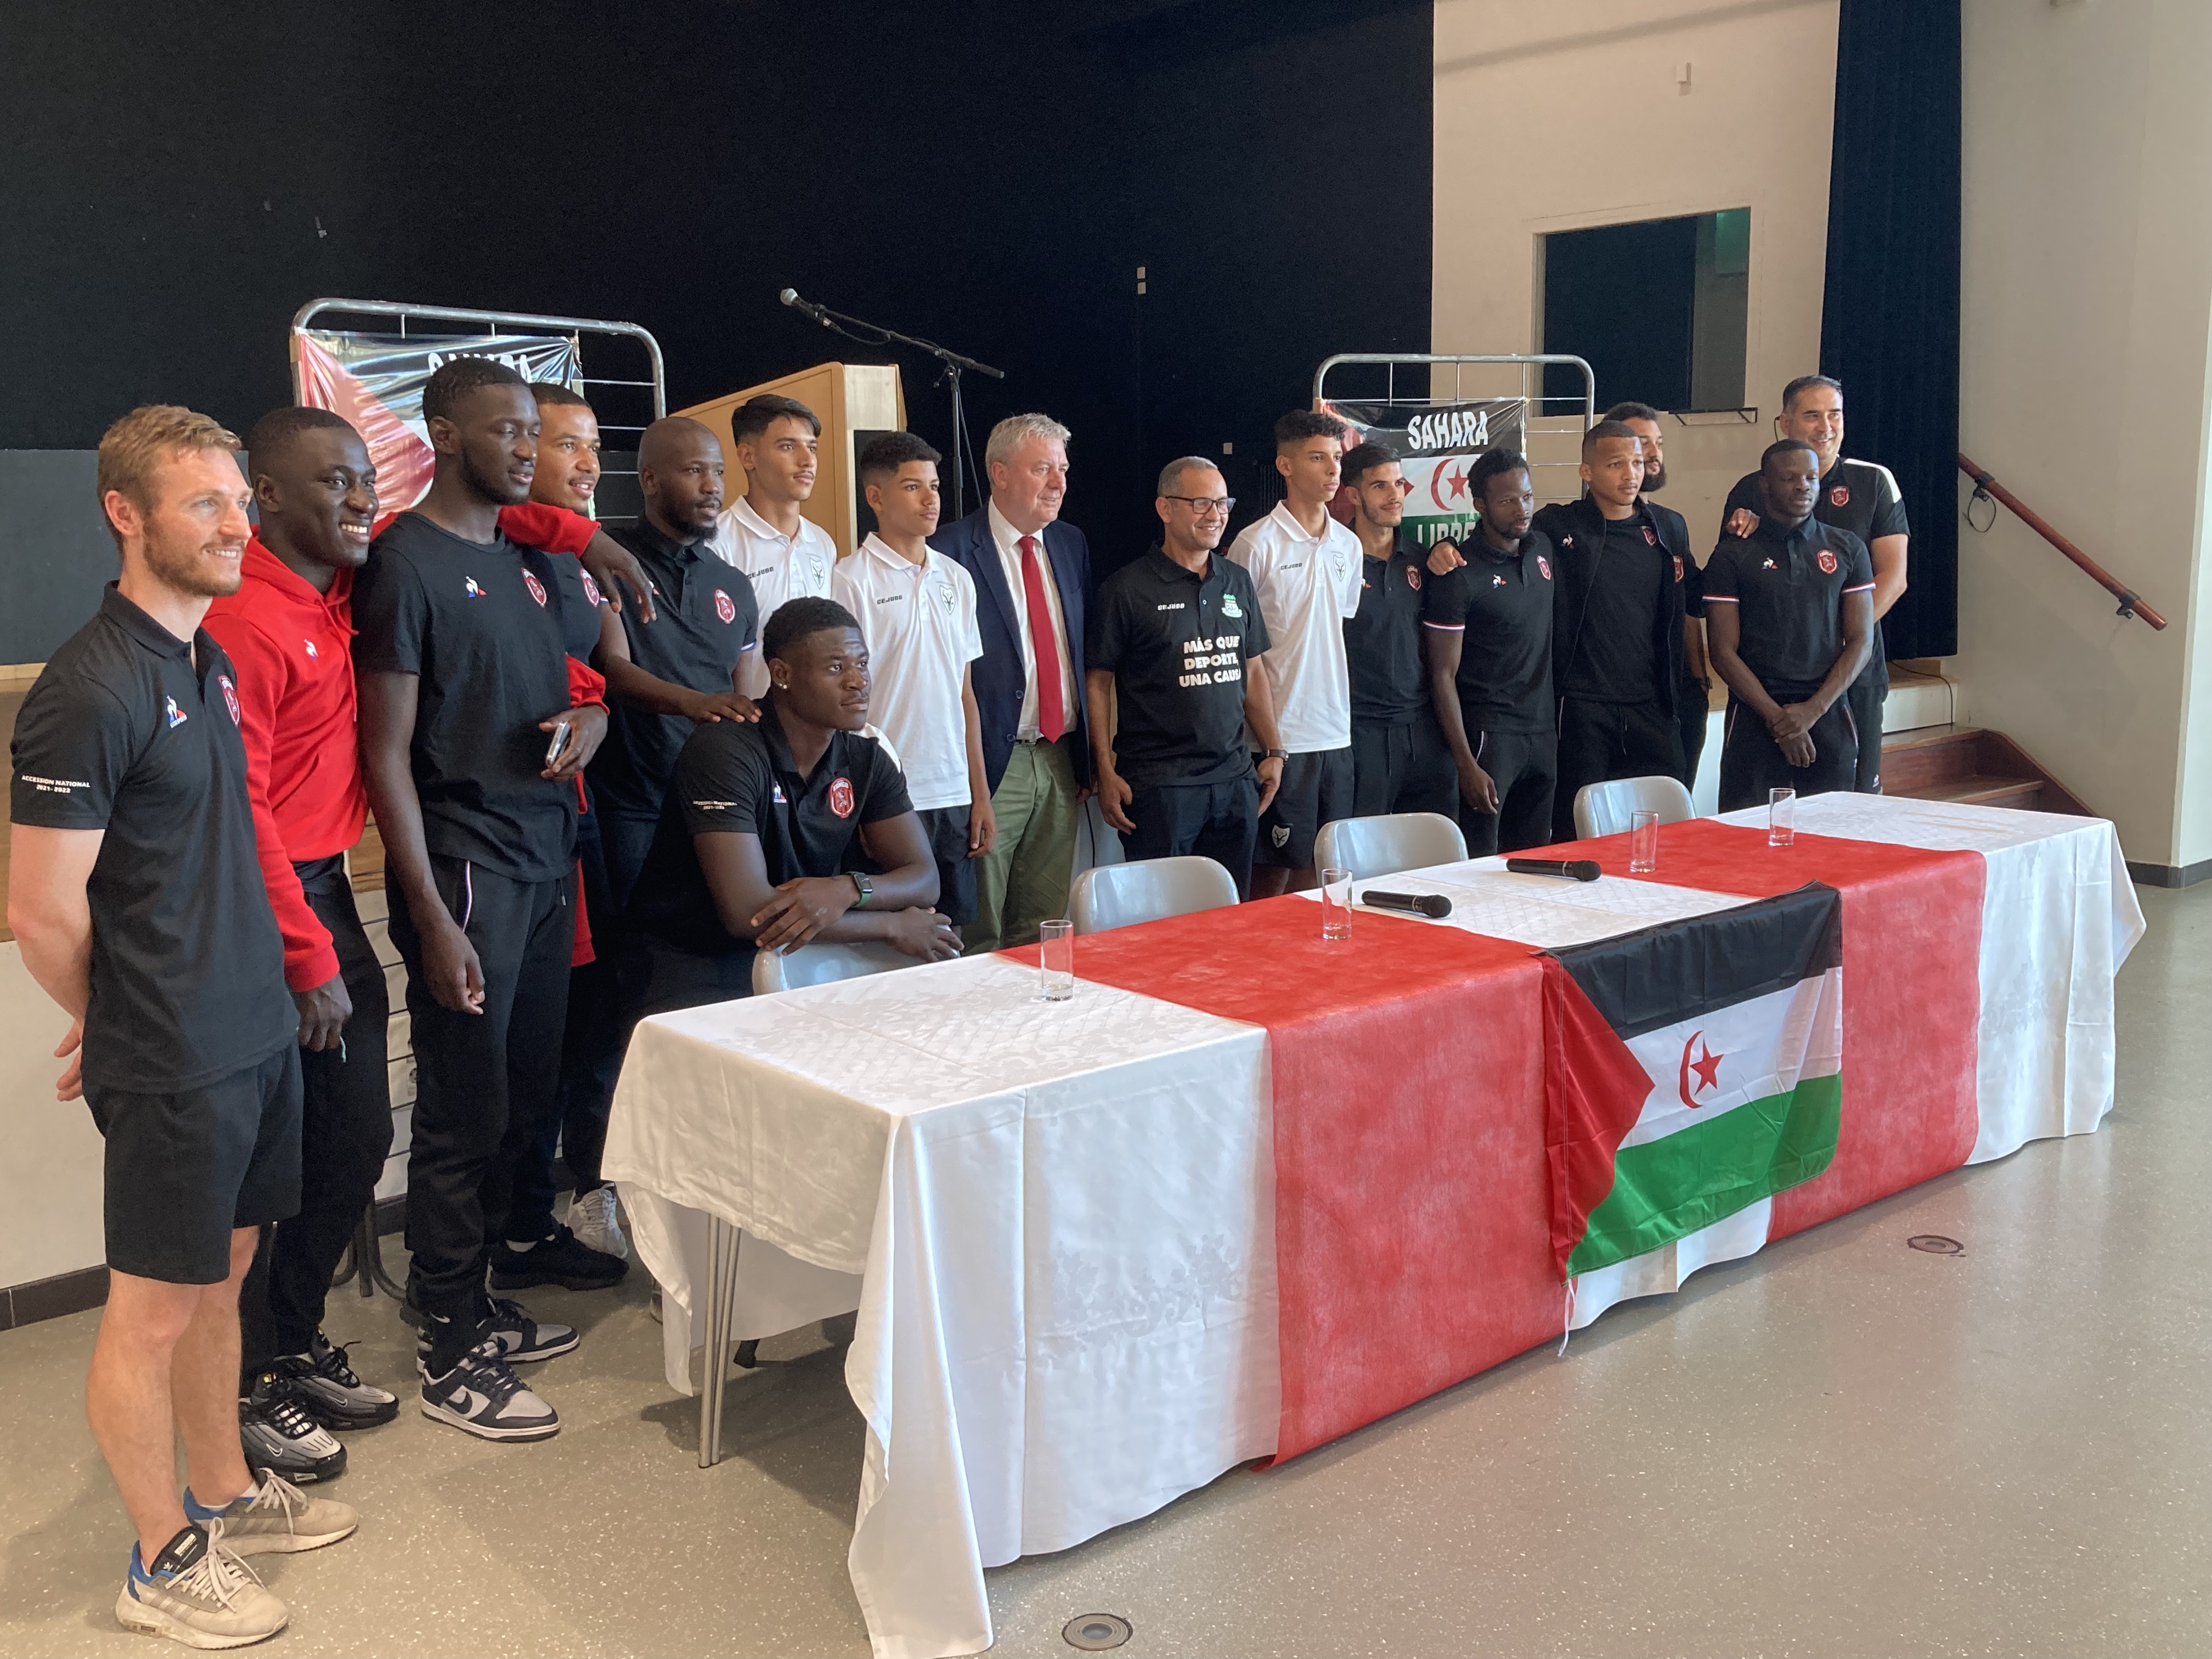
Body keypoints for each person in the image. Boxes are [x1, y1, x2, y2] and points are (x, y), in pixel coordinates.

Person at [9, 405, 354, 1649]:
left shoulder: (204, 660)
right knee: (152, 1307)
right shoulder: (87, 689)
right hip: (172, 1052)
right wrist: (113, 1022)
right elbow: (39, 911)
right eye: (205, 503)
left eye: (239, 502)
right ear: (126, 514)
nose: (236, 525)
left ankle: (223, 1486)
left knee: (227, 1273)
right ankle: (160, 1560)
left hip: (252, 1030)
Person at [353, 357, 607, 1441]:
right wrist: (429, 912)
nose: (525, 449)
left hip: (547, 861)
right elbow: (385, 753)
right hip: (467, 869)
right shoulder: (403, 564)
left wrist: (592, 723)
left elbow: (573, 694)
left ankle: (471, 1295)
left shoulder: (522, 562)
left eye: (531, 432)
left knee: (520, 1099)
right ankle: (448, 1347)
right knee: (463, 1113)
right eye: (507, 431)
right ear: (445, 434)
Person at [199, 409, 397, 1487]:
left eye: (365, 478)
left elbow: (456, 517)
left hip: (326, 891)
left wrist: (582, 534)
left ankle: (286, 1341)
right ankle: (242, 1384)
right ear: (265, 497)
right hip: (271, 905)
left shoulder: (335, 589)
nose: (361, 500)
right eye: (335, 482)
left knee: (352, 1138)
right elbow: (245, 810)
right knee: (272, 1167)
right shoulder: (245, 619)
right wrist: (306, 956)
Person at [625, 597, 961, 1012]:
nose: (858, 681)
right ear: (782, 675)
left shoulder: (867, 759)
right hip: (697, 962)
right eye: (836, 668)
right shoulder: (724, 749)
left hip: (808, 949)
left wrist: (848, 889)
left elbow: (924, 878)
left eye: (862, 664)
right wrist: (891, 924)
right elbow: (748, 913)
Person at [930, 413, 1091, 952]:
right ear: (999, 473)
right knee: (981, 929)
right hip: (991, 761)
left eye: (1062, 469)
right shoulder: (949, 551)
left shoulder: (1070, 544)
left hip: (1059, 755)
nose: (1058, 482)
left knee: (1045, 924)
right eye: (1042, 468)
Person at [1087, 458, 1284, 895]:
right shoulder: (1125, 589)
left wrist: (1274, 749)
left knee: (1231, 915)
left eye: (1223, 503)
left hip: (1235, 780)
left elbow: (1252, 669)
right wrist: (1103, 768)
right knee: (1165, 917)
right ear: (1165, 508)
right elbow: (1098, 682)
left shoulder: (1237, 580)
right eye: (1200, 503)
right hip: (1160, 787)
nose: (1216, 515)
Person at [833, 433, 993, 935]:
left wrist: (980, 793)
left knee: (955, 935)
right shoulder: (850, 579)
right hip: (887, 792)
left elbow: (965, 695)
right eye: (912, 487)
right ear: (875, 497)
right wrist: (858, 797)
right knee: (895, 938)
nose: (930, 499)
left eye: (935, 486)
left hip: (952, 787)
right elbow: (841, 706)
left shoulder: (957, 579)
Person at [1717, 374, 1908, 793]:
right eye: (1812, 415)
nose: (1826, 426)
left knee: (1852, 804)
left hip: (1852, 675)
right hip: (1770, 685)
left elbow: (1894, 578)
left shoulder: (1874, 481)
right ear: (1785, 423)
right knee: (1755, 808)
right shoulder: (1751, 489)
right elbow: (1732, 585)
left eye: (1834, 414)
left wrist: (1831, 643)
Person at [1532, 419, 1693, 840]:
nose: (1630, 474)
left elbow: (1698, 595)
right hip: (1584, 707)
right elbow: (1502, 547)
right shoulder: (1558, 525)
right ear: (1587, 472)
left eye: (1637, 463)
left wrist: (1744, 534)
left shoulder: (1668, 527)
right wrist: (1446, 549)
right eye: (1616, 464)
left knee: (1666, 830)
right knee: (1577, 830)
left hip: (1651, 704)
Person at [1229, 411, 1362, 895]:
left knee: (1323, 872)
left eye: (1337, 458)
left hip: (1335, 732)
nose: (1333, 470)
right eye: (1317, 458)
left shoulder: (1349, 544)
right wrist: (1272, 744)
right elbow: (1242, 653)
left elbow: (1333, 628)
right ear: (1285, 465)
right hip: (1281, 737)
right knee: (1272, 879)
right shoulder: (1254, 544)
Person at [1702, 440, 1876, 810]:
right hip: (1754, 713)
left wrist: (1811, 712)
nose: (1803, 486)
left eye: (1811, 477)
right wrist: (1779, 721)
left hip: (1827, 710)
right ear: (1765, 485)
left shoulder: (1847, 547)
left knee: (1829, 832)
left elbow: (1862, 640)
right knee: (1746, 833)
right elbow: (1722, 652)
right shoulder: (1732, 554)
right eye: (1790, 478)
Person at [1421, 449, 1559, 854]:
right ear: (1480, 505)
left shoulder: (1542, 547)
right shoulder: (1458, 574)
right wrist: (1466, 763)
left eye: (1527, 497)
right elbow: (1441, 675)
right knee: (1478, 861)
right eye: (1507, 501)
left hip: (1542, 732)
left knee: (1536, 858)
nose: (1522, 509)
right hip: (1490, 737)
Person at [1338, 442, 1454, 817]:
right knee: (1366, 846)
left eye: (1399, 483)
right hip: (1361, 731)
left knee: (1436, 844)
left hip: (1424, 727)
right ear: (1353, 495)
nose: (1395, 495)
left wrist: (1448, 545)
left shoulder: (1423, 559)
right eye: (1380, 486)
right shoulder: (1333, 561)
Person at [1605, 400, 1712, 791]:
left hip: (1676, 696)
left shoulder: (1672, 524)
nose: (1652, 453)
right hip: (1609, 703)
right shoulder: (1573, 529)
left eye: (1658, 443)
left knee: (1674, 807)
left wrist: (1698, 683)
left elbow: (1692, 602)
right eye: (1641, 443)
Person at [706, 393, 838, 699]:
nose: (807, 461)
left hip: (814, 718)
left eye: (812, 447)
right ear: (748, 457)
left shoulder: (822, 543)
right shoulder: (716, 545)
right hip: (748, 721)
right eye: (788, 447)